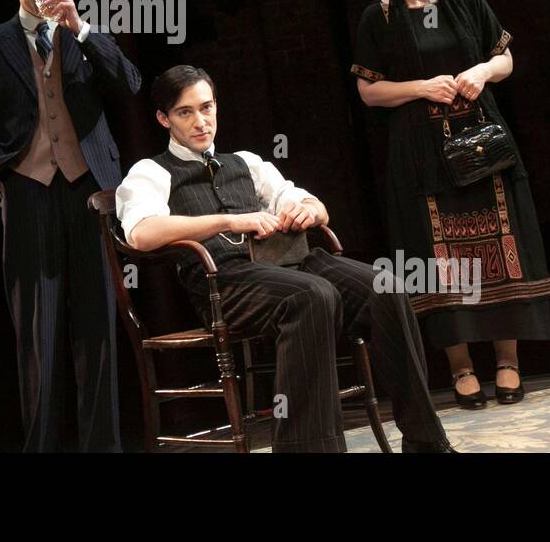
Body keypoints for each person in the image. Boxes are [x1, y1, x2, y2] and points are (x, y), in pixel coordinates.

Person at [116, 65, 455, 452]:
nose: (200, 122)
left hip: (292, 263)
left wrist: (307, 211)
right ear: (164, 118)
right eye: (185, 112)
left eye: (206, 108)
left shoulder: (246, 162)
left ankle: (426, 442)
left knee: (385, 286)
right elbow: (142, 233)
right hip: (225, 281)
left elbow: (312, 205)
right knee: (312, 295)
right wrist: (229, 221)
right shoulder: (151, 171)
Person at [0, 0, 141, 451]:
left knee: (98, 328)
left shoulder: (85, 35)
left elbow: (129, 84)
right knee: (39, 335)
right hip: (28, 194)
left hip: (90, 192)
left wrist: (81, 28)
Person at [352, 0, 550, 408]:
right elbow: (369, 91)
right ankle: (461, 369)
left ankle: (508, 363)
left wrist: (481, 71)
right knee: (438, 259)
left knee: (505, 243)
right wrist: (422, 87)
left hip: (482, 139)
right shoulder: (378, 17)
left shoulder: (466, 0)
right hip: (422, 151)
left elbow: (504, 58)